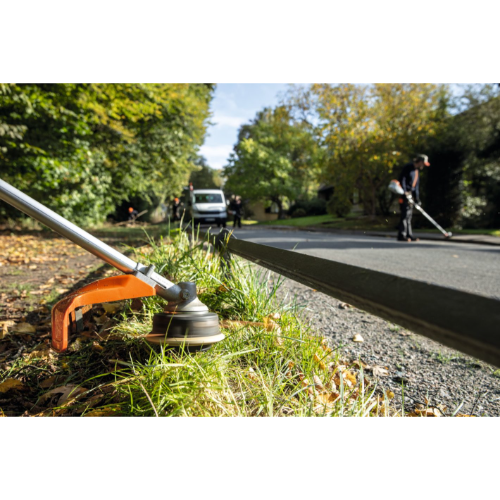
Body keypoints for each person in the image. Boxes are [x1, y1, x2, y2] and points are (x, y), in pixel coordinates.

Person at [398, 154, 431, 242]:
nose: (423, 165)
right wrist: (404, 192)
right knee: (404, 215)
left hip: (411, 195)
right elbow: (402, 180)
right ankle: (402, 235)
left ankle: (409, 235)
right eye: (423, 163)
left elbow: (416, 186)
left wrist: (417, 198)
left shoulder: (416, 171)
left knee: (409, 215)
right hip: (404, 194)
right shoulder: (408, 167)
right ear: (420, 161)